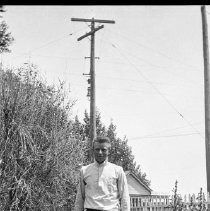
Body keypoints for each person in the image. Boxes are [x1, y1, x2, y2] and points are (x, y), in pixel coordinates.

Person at [74, 136, 130, 211]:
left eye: (103, 150)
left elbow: (124, 197)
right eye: (97, 149)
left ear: (108, 151)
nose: (100, 152)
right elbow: (80, 198)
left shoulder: (118, 171)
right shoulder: (84, 171)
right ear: (93, 150)